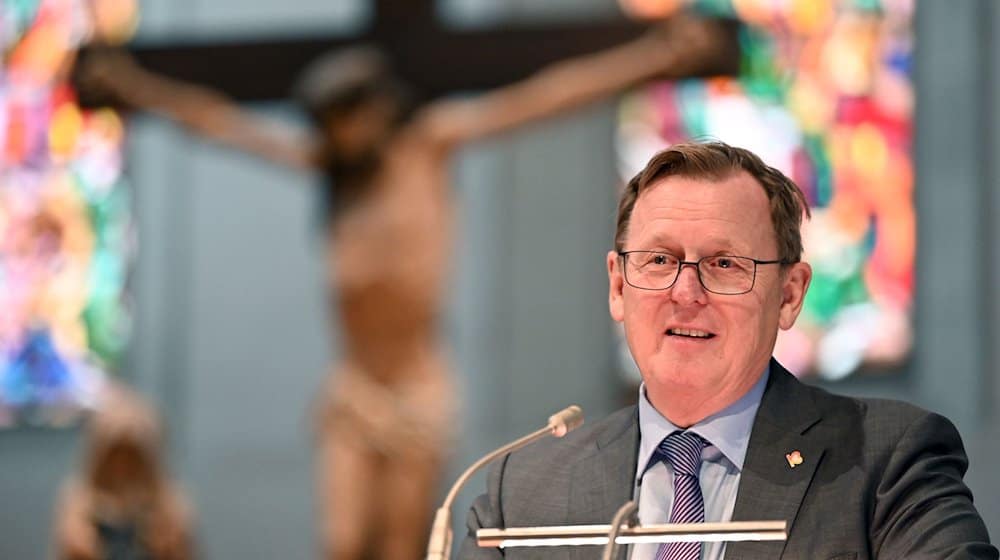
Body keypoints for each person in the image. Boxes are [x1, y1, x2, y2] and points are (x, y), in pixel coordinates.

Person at [72, 14, 737, 560]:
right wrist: (135, 85)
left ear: (373, 109)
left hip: (417, 388)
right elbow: (222, 123)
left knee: (400, 544)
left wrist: (648, 60)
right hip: (355, 390)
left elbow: (541, 97)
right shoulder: (329, 169)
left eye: (343, 119)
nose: (334, 136)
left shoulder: (428, 145)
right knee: (342, 540)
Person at [459, 141, 997, 559]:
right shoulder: (525, 489)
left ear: (789, 295)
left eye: (725, 265)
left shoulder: (886, 461)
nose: (685, 293)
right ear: (618, 286)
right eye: (659, 260)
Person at [52, 383, 195, 560]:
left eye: (131, 459)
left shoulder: (171, 509)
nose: (122, 469)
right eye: (116, 458)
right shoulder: (78, 507)